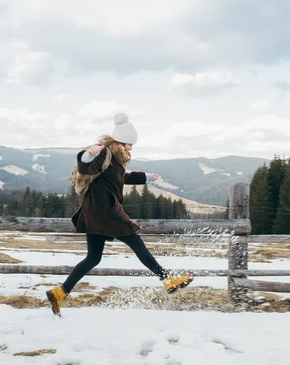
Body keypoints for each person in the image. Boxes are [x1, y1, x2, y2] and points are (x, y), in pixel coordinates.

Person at [46, 113, 193, 316]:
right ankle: (167, 279)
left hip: (95, 212)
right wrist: (89, 154)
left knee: (93, 258)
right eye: (128, 143)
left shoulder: (114, 159)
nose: (130, 148)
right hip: (105, 210)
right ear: (119, 141)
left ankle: (60, 293)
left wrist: (147, 177)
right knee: (136, 242)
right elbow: (86, 166)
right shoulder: (104, 152)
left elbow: (120, 177)